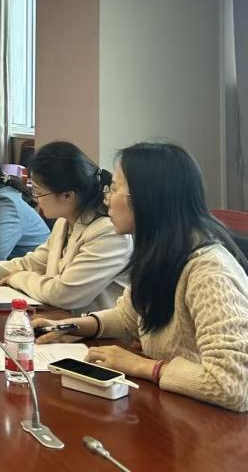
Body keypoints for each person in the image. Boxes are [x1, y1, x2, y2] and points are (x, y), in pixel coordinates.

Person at [35, 143, 248, 412]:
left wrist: (142, 366)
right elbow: (129, 318)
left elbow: (232, 384)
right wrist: (70, 327)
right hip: (174, 408)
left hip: (213, 424)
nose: (106, 199)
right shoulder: (160, 253)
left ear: (146, 199)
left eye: (114, 189)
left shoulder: (209, 272)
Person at [0, 141, 131, 313]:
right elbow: (29, 263)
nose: (35, 199)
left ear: (67, 195)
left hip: (92, 329)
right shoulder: (64, 223)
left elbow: (63, 293)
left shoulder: (108, 232)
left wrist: (18, 279)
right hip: (60, 320)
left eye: (38, 192)